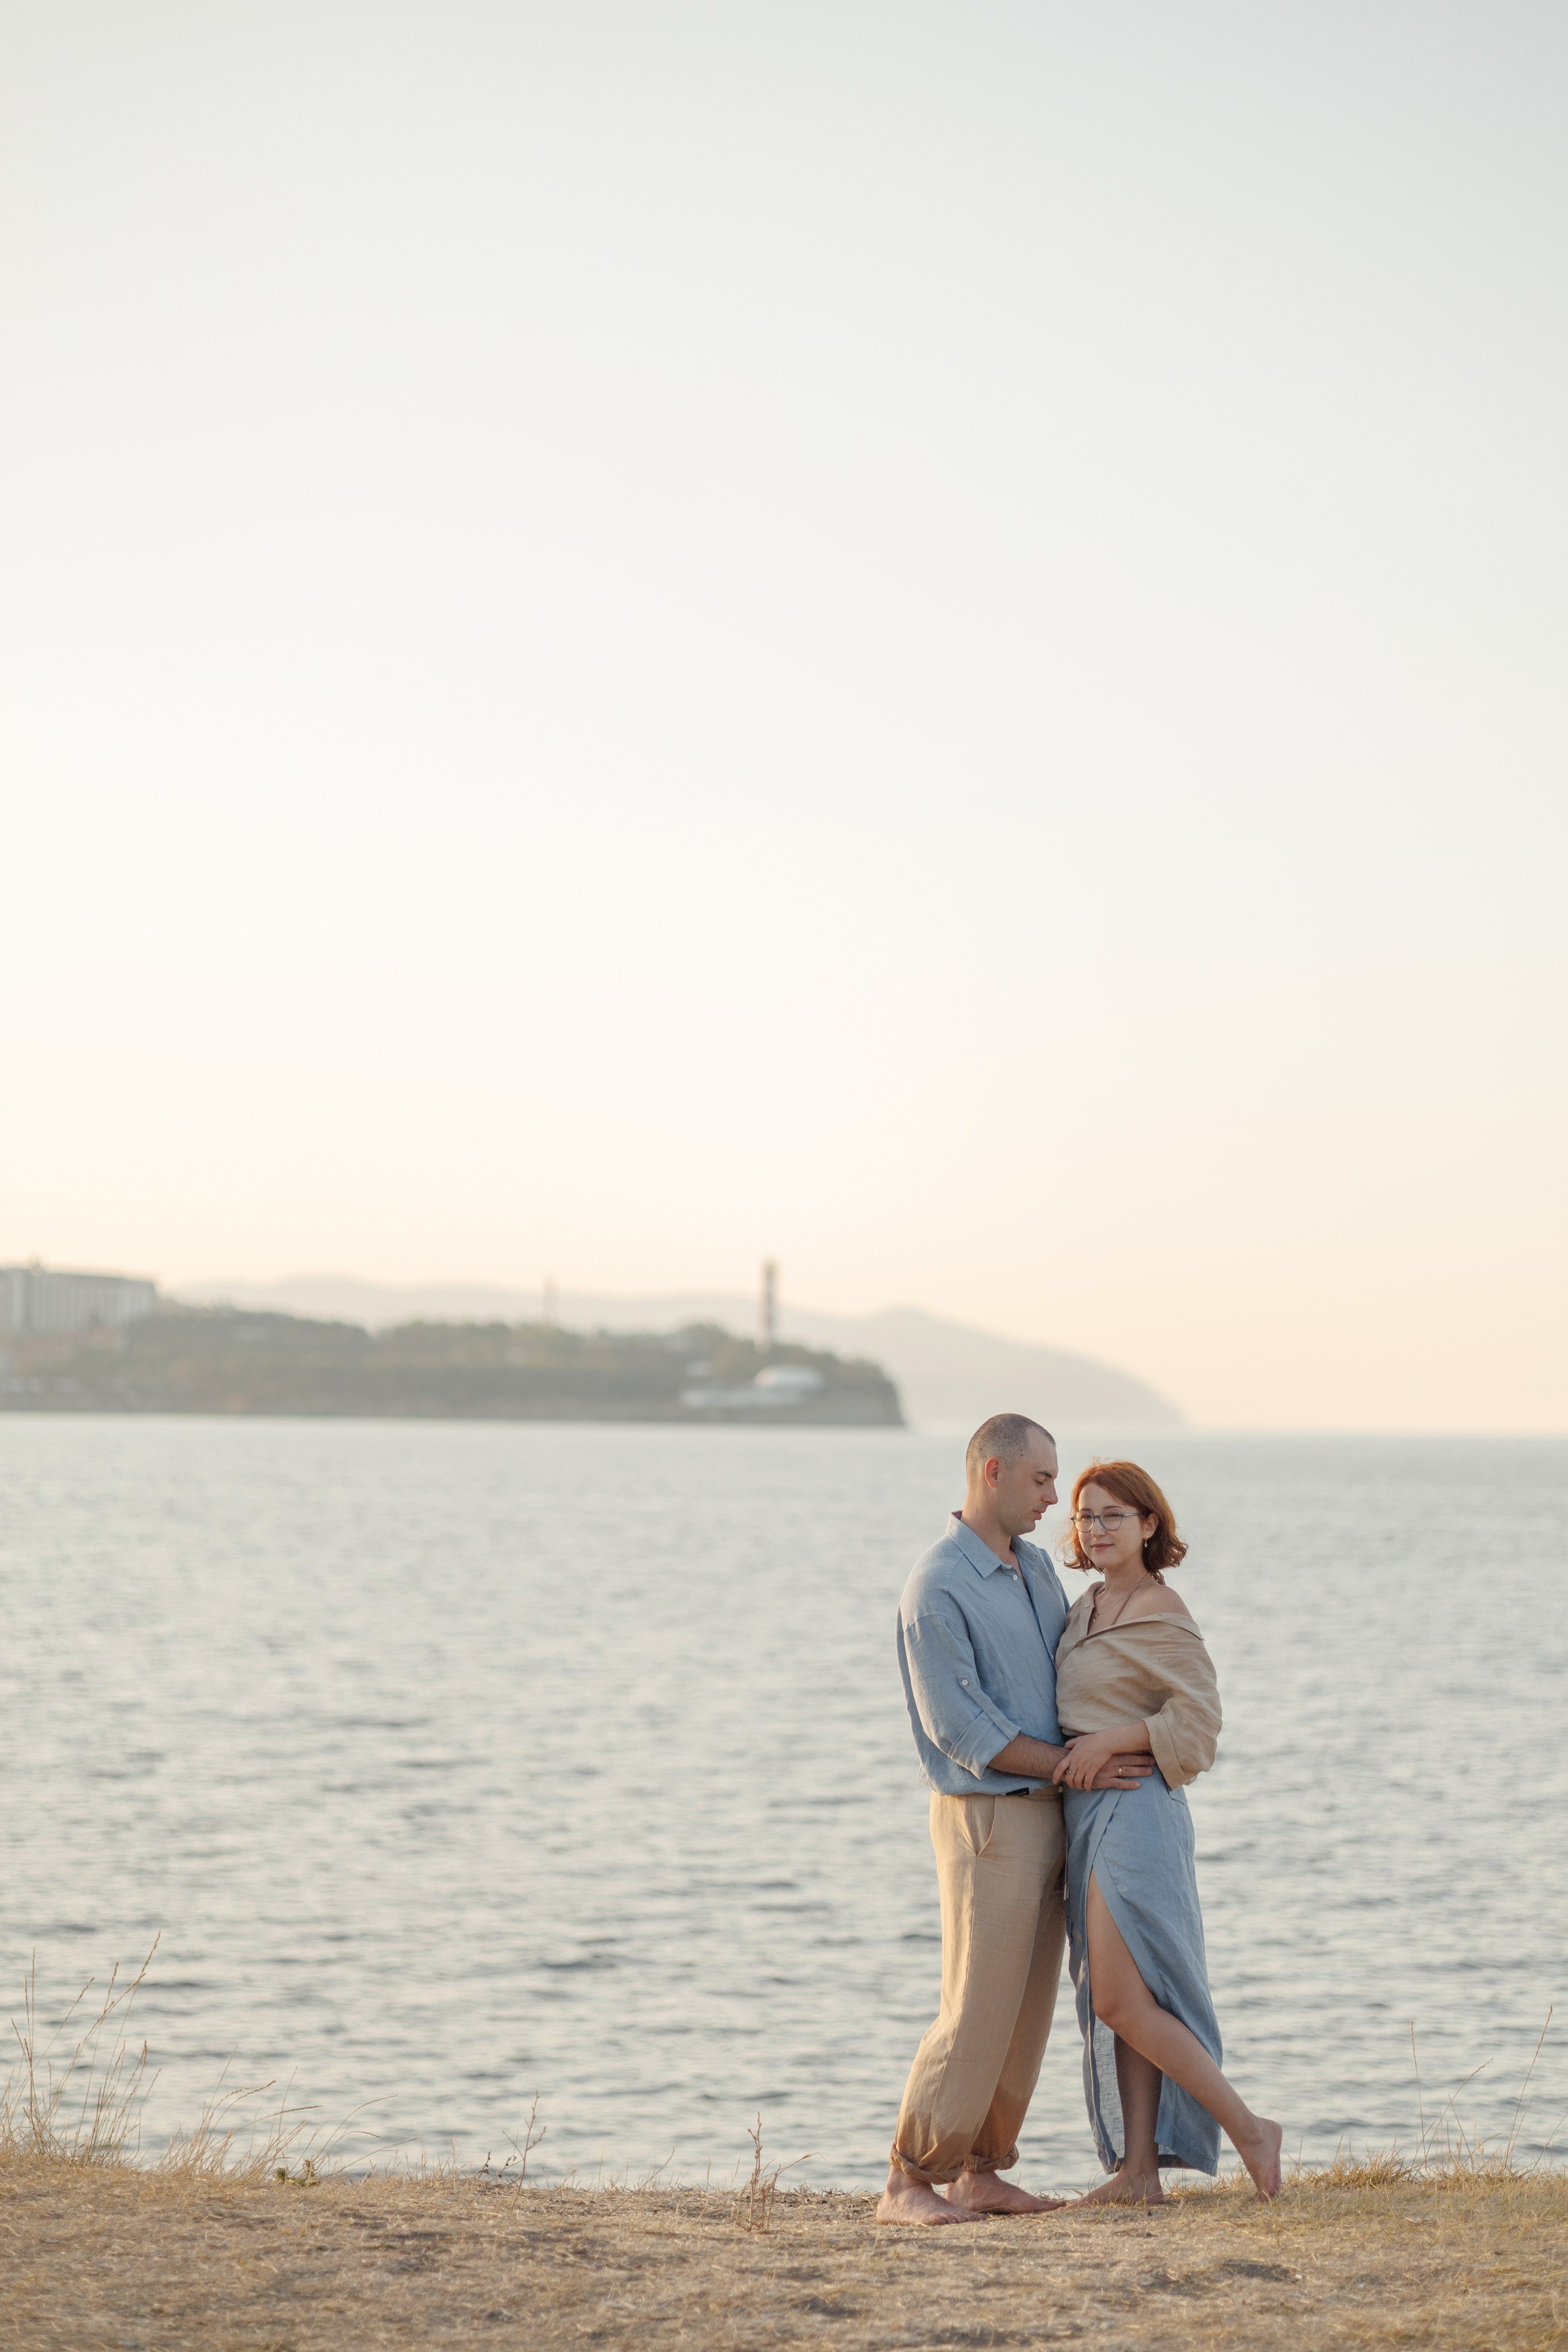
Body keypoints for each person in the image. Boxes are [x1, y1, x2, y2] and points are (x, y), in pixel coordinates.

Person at [876, 1415, 1156, 2226]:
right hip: (987, 1820)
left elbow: (1074, 1678)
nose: (1053, 1500)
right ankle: (907, 2179)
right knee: (977, 2004)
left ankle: (981, 2170)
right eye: (1042, 1481)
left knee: (1027, 2010)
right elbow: (959, 1731)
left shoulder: (1036, 1569)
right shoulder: (937, 1587)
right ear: (993, 1472)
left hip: (1053, 1815)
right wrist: (1075, 1763)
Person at [1050, 1459, 1282, 2203]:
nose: (1097, 1529)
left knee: (1120, 2001)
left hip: (1138, 1809)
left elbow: (1200, 1725)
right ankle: (1139, 2173)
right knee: (1118, 2002)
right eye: (1086, 1516)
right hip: (1088, 1813)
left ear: (1150, 1524)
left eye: (1114, 1515)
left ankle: (1249, 2129)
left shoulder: (1161, 1609)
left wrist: (1111, 1741)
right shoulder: (1084, 1606)